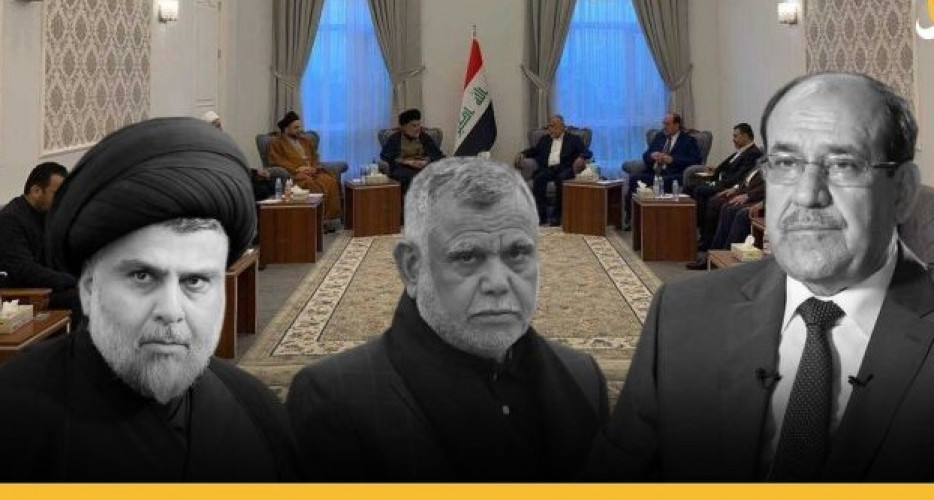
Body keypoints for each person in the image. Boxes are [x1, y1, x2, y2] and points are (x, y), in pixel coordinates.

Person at [600, 72, 933, 481]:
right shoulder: (679, 317)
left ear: (902, 191)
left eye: (844, 165)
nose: (807, 194)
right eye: (786, 163)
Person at [0, 118, 301, 481]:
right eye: (142, 276)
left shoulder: (259, 415)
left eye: (195, 281)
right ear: (89, 287)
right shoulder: (14, 417)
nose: (171, 311)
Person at [287, 157, 608, 481]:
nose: (498, 283)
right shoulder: (334, 399)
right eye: (467, 256)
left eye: (517, 253)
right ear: (411, 267)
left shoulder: (583, 380)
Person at [0, 162, 79, 314]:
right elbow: (25, 271)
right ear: (36, 191)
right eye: (57, 194)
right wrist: (72, 281)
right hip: (26, 294)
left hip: (47, 287)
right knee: (84, 298)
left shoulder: (47, 215)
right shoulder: (9, 220)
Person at [624, 113, 702, 230]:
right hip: (654, 172)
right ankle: (632, 218)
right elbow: (645, 155)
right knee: (634, 178)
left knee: (662, 182)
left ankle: (656, 222)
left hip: (674, 174)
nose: (664, 127)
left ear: (677, 125)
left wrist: (672, 160)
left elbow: (695, 160)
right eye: (663, 124)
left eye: (667, 124)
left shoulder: (688, 140)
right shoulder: (660, 137)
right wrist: (652, 155)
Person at [514, 115, 592, 226]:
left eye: (554, 126)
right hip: (548, 168)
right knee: (539, 178)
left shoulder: (574, 139)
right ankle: (541, 216)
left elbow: (587, 152)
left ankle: (557, 216)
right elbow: (534, 151)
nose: (551, 129)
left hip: (565, 168)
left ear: (562, 126)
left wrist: (581, 157)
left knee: (561, 179)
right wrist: (522, 154)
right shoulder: (545, 139)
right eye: (550, 126)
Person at [266, 111, 342, 223]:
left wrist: (314, 167)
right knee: (311, 185)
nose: (299, 130)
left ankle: (331, 220)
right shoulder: (277, 143)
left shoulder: (305, 141)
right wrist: (297, 168)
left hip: (313, 172)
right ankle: (316, 221)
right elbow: (277, 161)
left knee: (330, 181)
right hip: (296, 175)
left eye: (299, 127)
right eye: (296, 127)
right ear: (286, 129)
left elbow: (315, 156)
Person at [685, 165, 765, 270]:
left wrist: (754, 199)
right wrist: (736, 188)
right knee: (726, 207)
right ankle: (714, 253)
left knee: (739, 213)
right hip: (755, 195)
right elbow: (746, 179)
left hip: (769, 202)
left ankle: (726, 254)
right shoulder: (763, 161)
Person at [685, 123, 762, 224]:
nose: (733, 139)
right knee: (689, 187)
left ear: (745, 136)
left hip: (727, 185)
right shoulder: (741, 151)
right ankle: (687, 223)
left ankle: (698, 226)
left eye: (735, 136)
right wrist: (715, 171)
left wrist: (718, 183)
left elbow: (739, 176)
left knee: (700, 190)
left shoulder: (752, 153)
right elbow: (728, 167)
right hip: (720, 181)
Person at [379, 108, 445, 196]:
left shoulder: (424, 137)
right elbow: (385, 156)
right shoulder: (395, 139)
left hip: (424, 167)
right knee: (408, 177)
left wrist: (427, 161)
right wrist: (407, 162)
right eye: (413, 126)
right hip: (404, 168)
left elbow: (437, 155)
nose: (417, 129)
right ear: (403, 127)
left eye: (418, 125)